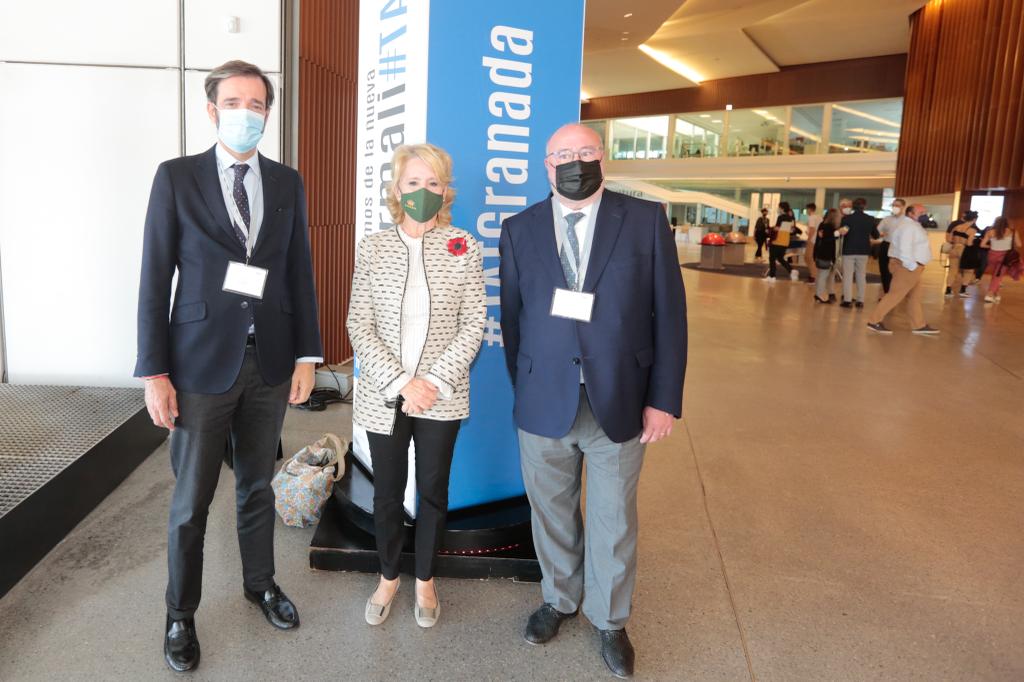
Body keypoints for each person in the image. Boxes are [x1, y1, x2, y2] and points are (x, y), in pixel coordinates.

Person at [134, 60, 323, 673]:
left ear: (268, 111)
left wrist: (305, 355)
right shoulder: (176, 178)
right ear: (213, 110)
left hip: (268, 361)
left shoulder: (288, 182)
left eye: (259, 103)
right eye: (235, 101)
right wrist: (154, 372)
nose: (249, 112)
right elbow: (153, 277)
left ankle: (260, 583)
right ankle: (179, 614)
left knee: (256, 487)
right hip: (196, 367)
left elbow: (298, 274)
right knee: (191, 500)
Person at [499, 123, 687, 679]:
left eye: (585, 152)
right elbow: (515, 321)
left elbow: (670, 318)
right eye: (563, 155)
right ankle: (559, 600)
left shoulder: (645, 220)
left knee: (613, 520)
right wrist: (528, 384)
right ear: (545, 165)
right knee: (551, 514)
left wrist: (664, 400)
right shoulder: (519, 229)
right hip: (544, 401)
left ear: (603, 157)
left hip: (622, 401)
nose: (575, 162)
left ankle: (610, 619)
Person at [346, 144, 486, 629]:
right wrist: (403, 382)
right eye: (413, 183)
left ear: (445, 190)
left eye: (433, 183)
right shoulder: (374, 247)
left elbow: (474, 325)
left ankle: (425, 578)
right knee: (387, 493)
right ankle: (388, 576)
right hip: (385, 393)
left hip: (441, 396)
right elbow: (358, 324)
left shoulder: (464, 246)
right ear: (396, 189)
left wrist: (432, 382)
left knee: (432, 491)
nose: (422, 191)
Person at [866, 204, 939, 335]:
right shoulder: (908, 227)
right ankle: (873, 321)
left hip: (914, 267)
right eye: (921, 212)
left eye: (925, 212)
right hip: (907, 267)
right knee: (894, 295)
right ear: (910, 214)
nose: (924, 214)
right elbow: (904, 248)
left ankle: (918, 325)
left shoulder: (914, 226)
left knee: (915, 297)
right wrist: (912, 266)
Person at [838, 197, 879, 308]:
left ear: (853, 206)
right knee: (861, 275)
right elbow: (876, 235)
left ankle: (847, 300)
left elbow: (842, 232)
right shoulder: (870, 219)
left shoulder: (847, 219)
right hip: (863, 251)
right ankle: (860, 300)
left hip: (849, 250)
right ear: (865, 206)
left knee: (848, 276)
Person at [980, 216, 1022, 302]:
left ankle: (996, 293)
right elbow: (1019, 245)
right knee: (998, 276)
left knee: (996, 275)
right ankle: (989, 294)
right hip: (1005, 257)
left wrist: (992, 245)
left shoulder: (990, 232)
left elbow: (982, 245)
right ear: (1007, 223)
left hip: (992, 255)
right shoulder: (1012, 232)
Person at [875, 199, 906, 295]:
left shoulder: (906, 220)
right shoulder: (887, 219)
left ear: (903, 207)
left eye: (897, 205)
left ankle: (896, 292)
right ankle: (886, 291)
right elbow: (877, 231)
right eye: (893, 205)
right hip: (886, 245)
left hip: (899, 247)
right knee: (884, 270)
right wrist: (882, 234)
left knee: (897, 271)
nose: (895, 207)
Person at [944, 210, 978, 298]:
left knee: (952, 270)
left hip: (953, 249)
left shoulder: (956, 227)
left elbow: (949, 239)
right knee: (968, 271)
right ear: (974, 219)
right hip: (964, 250)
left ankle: (948, 290)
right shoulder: (972, 230)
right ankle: (962, 290)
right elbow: (969, 243)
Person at [813, 208, 841, 303]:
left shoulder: (822, 225)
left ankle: (818, 294)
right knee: (823, 275)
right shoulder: (829, 227)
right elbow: (827, 240)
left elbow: (821, 239)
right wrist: (836, 234)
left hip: (820, 253)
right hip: (826, 254)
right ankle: (819, 295)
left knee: (821, 275)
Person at [765, 202, 799, 281]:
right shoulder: (791, 218)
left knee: (772, 258)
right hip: (785, 241)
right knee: (780, 258)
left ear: (782, 208)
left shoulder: (780, 217)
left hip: (777, 240)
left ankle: (772, 276)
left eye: (779, 207)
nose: (778, 209)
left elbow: (777, 228)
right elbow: (792, 231)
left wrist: (770, 229)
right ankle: (792, 270)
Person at [804, 202, 822, 284]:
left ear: (809, 209)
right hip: (818, 241)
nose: (806, 211)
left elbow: (812, 229)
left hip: (812, 241)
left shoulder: (812, 217)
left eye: (806, 209)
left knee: (808, 258)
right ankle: (813, 276)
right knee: (810, 258)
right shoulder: (819, 217)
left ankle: (813, 277)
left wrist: (808, 239)